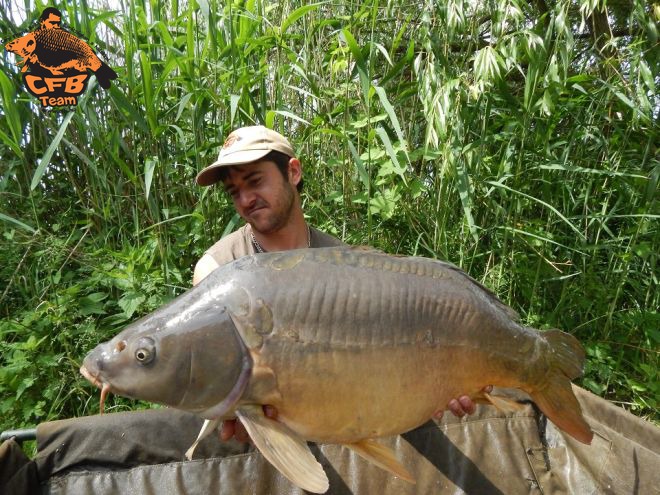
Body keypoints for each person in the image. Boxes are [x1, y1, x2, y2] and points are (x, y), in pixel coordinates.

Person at [193, 125, 485, 443]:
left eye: (255, 181)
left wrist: (428, 390)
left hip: (336, 431)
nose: (246, 199)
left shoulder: (343, 265)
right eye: (234, 191)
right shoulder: (218, 270)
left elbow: (371, 371)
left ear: (293, 172)